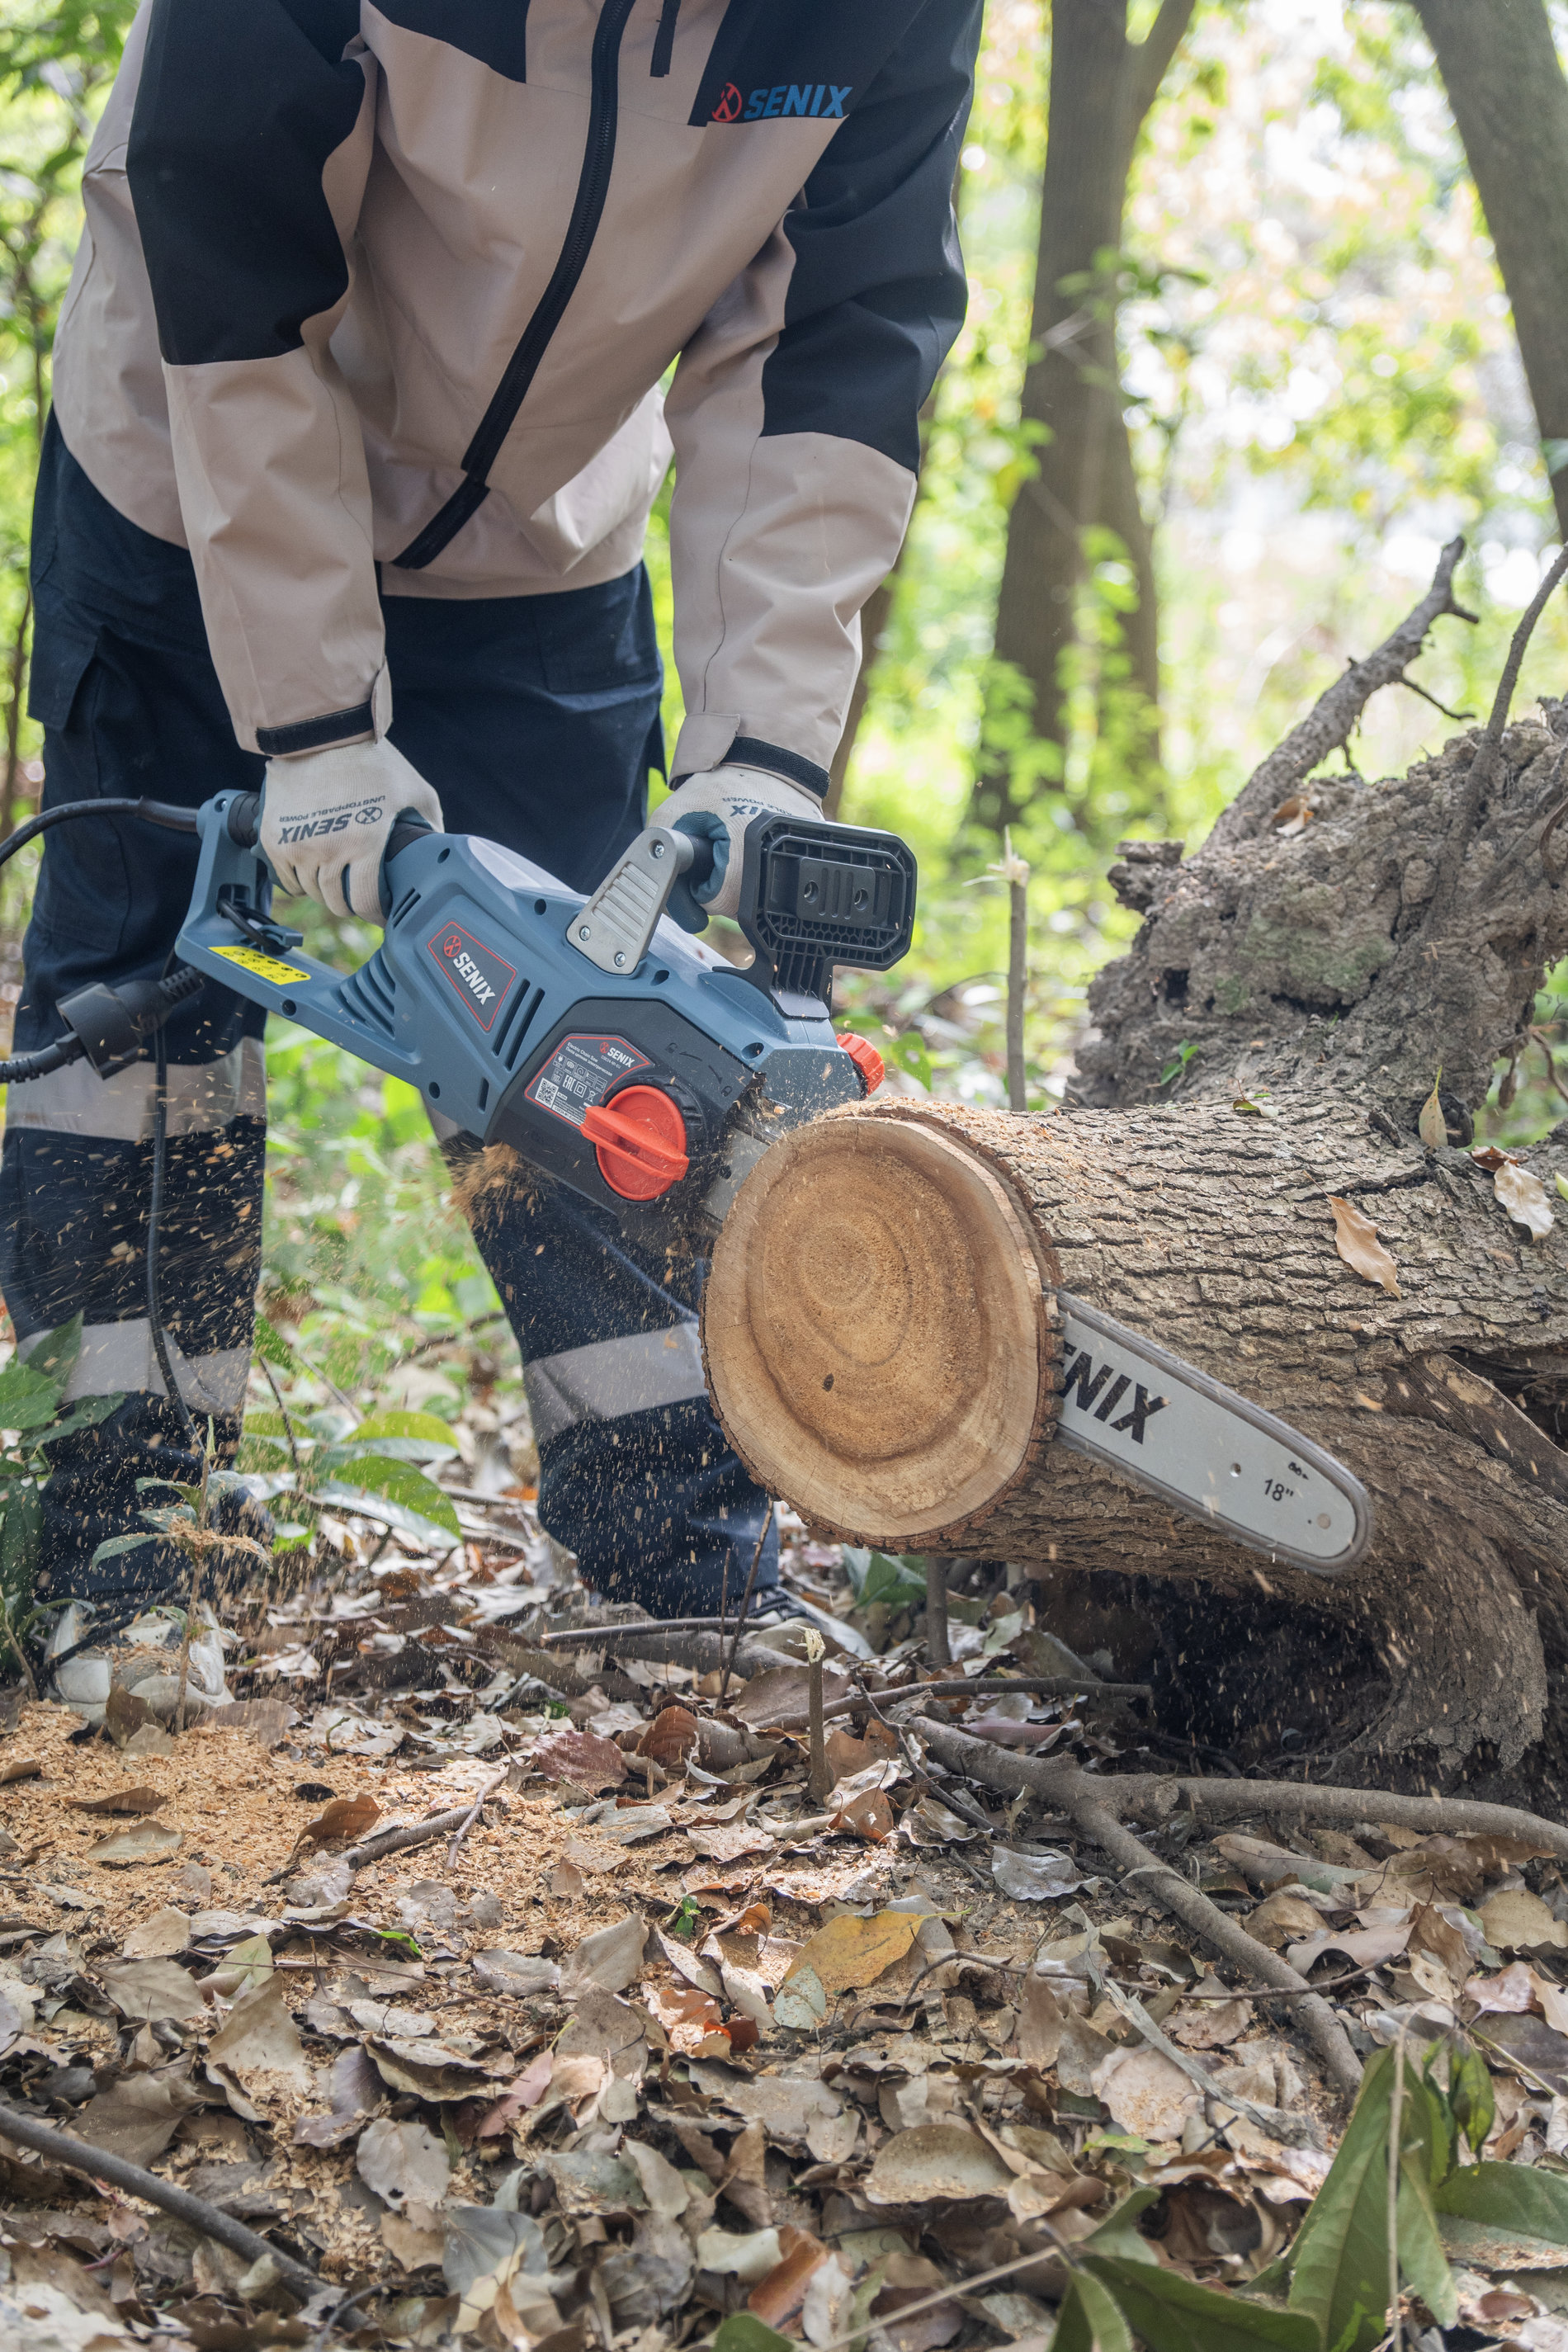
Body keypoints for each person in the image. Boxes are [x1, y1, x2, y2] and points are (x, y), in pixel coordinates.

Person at [0, 0, 980, 1625]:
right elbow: (228, 244)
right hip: (191, 478)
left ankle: (663, 1572)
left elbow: (834, 347)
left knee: (617, 1037)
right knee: (146, 1025)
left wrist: (762, 754)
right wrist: (313, 725)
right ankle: (128, 1562)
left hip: (539, 534)